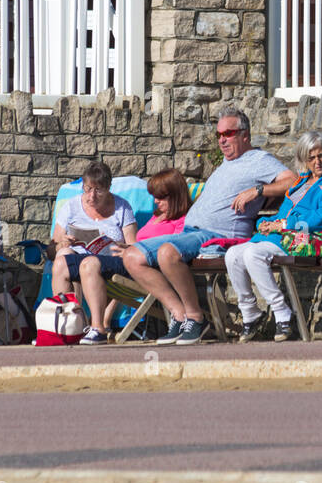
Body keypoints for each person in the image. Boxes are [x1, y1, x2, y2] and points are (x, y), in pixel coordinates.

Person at [122, 107, 296, 346]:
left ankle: (196, 317)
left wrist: (258, 190)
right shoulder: (226, 163)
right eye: (219, 135)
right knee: (131, 256)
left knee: (167, 253)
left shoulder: (258, 160)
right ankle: (180, 315)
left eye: (229, 133)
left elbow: (294, 181)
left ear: (245, 135)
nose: (222, 139)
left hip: (219, 235)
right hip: (190, 232)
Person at [224, 132, 322, 343]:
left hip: (312, 238)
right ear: (304, 160)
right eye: (311, 158)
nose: (318, 162)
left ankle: (282, 313)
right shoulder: (301, 181)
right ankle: (250, 312)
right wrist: (265, 224)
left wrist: (283, 225)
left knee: (253, 254)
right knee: (233, 254)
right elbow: (284, 213)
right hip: (286, 236)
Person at [71, 167, 191, 344]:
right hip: (130, 258)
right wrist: (126, 247)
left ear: (175, 195)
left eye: (161, 197)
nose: (155, 201)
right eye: (154, 196)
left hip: (145, 267)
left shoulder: (182, 219)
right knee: (70, 263)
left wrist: (132, 250)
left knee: (88, 264)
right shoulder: (157, 216)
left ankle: (99, 327)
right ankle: (77, 327)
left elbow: (176, 246)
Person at [49, 163, 138, 343]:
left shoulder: (122, 207)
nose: (91, 196)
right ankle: (69, 324)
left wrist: (119, 246)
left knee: (88, 263)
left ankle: (98, 327)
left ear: (108, 189)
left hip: (111, 262)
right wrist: (61, 244)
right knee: (61, 258)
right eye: (88, 189)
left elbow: (134, 247)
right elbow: (51, 249)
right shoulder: (71, 207)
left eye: (98, 190)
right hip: (81, 261)